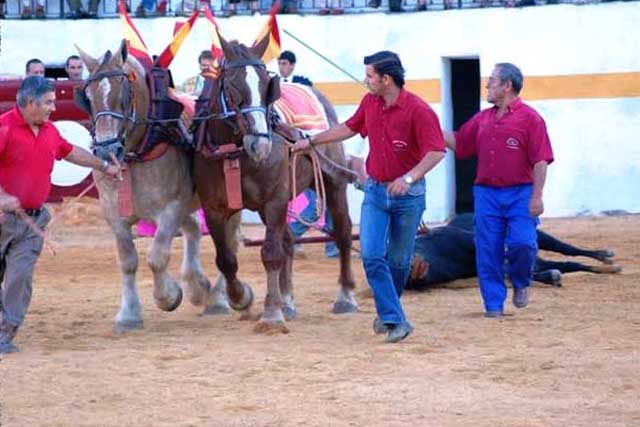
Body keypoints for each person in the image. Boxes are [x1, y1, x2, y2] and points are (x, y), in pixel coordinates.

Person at [292, 51, 446, 343]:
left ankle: (391, 312)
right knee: (373, 255)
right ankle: (394, 319)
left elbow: (437, 151)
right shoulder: (369, 103)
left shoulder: (418, 110)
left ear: (386, 79)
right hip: (376, 191)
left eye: (370, 75)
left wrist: (408, 178)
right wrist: (311, 140)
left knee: (399, 262)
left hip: (409, 195)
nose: (366, 80)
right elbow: (349, 127)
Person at [0, 76, 120, 354]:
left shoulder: (50, 131)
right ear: (30, 103)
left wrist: (103, 165)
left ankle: (5, 333)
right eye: (49, 103)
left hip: (33, 221)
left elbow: (70, 153)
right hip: (3, 220)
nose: (53, 108)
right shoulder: (4, 129)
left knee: (20, 277)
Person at [443, 63, 554, 318]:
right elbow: (460, 143)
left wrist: (537, 196)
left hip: (521, 193)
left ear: (507, 86)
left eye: (492, 81)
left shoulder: (531, 119)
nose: (487, 86)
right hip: (487, 194)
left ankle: (521, 281)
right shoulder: (482, 119)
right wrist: (431, 130)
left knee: (523, 244)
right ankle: (493, 305)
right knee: (487, 248)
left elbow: (540, 160)